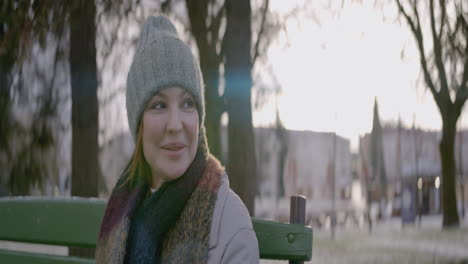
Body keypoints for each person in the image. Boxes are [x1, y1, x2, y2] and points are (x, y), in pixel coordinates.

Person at [95, 15, 259, 264]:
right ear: (137, 125)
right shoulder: (122, 211)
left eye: (187, 103)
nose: (175, 125)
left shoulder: (230, 226)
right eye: (159, 105)